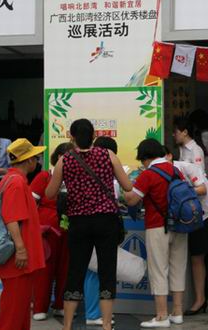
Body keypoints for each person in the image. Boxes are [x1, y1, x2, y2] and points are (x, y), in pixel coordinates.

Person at [46, 119, 132, 330]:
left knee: (75, 271)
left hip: (79, 222)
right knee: (106, 271)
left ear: (72, 137)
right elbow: (128, 186)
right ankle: (106, 325)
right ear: (94, 135)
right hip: (106, 221)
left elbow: (50, 193)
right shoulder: (108, 155)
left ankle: (67, 326)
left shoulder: (65, 160)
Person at [124, 139, 189, 328]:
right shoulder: (175, 170)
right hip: (180, 226)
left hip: (157, 226)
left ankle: (161, 316)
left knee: (159, 270)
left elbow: (132, 200)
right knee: (178, 267)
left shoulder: (148, 174)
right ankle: (177, 312)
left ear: (145, 157)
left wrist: (124, 188)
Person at [163, 148, 208, 315]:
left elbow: (202, 189)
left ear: (170, 156)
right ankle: (200, 300)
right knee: (196, 256)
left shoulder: (186, 167)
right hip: (191, 217)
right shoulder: (159, 175)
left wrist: (179, 193)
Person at [0, 138, 46, 330]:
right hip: (18, 259)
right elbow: (11, 218)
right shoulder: (16, 183)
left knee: (20, 313)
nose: (37, 161)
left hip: (16, 257)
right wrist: (21, 249)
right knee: (12, 316)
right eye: (35, 157)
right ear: (28, 160)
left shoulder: (10, 180)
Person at [79, 136, 121, 327]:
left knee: (91, 270)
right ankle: (95, 314)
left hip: (83, 225)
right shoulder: (111, 179)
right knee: (99, 272)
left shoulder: (80, 171)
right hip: (104, 227)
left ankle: (94, 312)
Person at [30, 142, 73, 322]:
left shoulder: (77, 178)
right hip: (46, 231)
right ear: (59, 158)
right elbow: (30, 203)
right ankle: (40, 306)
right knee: (44, 269)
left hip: (69, 228)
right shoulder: (44, 176)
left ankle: (61, 305)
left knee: (66, 268)